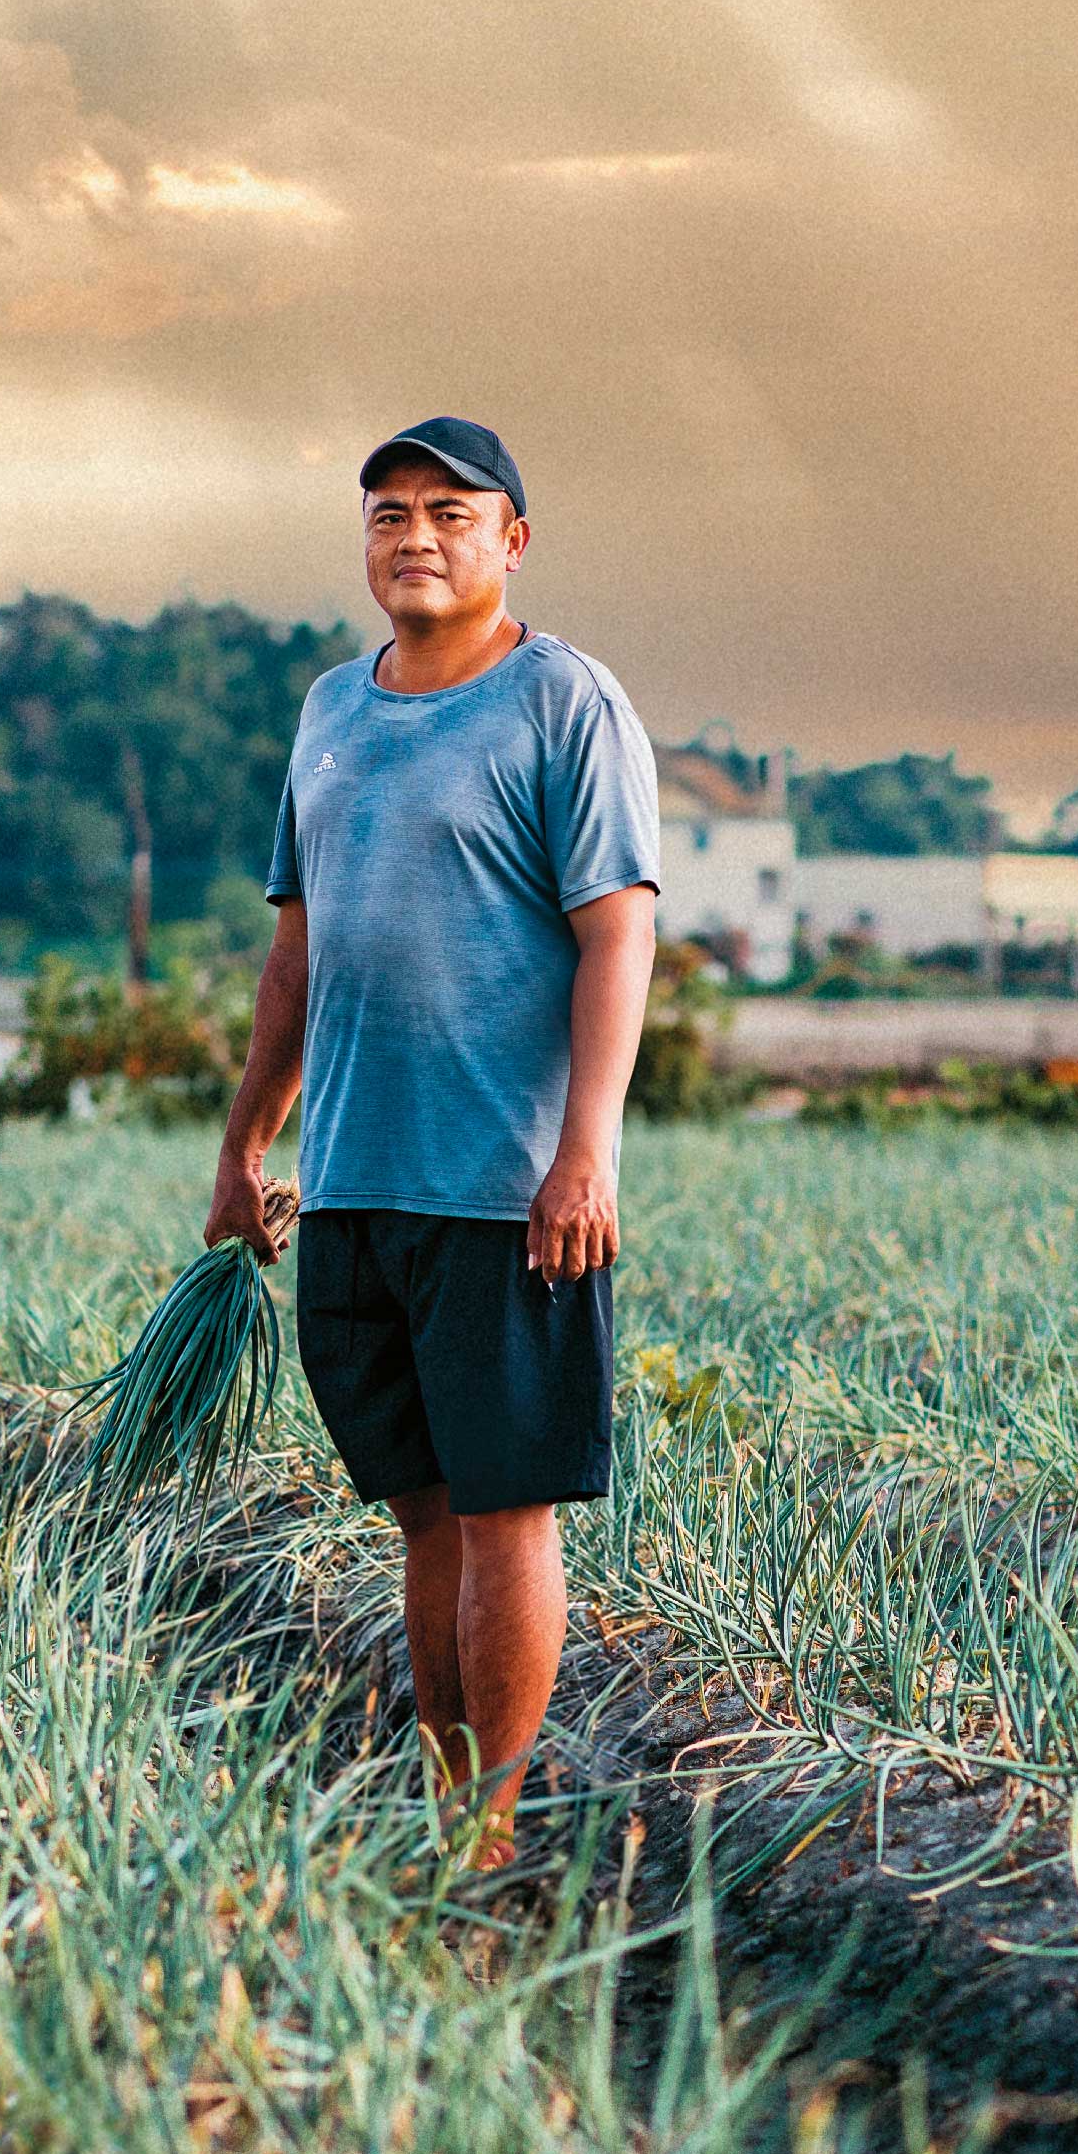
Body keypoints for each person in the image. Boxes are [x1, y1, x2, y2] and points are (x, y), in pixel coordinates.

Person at [200, 414, 658, 1867]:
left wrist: (586, 1155)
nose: (416, 537)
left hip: (502, 1192)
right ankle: (442, 1803)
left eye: (451, 514)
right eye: (389, 513)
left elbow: (619, 937)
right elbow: (296, 957)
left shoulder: (564, 703)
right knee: (425, 1516)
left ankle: (491, 1828)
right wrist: (245, 1147)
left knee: (508, 1512)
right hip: (352, 1184)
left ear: (510, 540)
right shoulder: (331, 710)